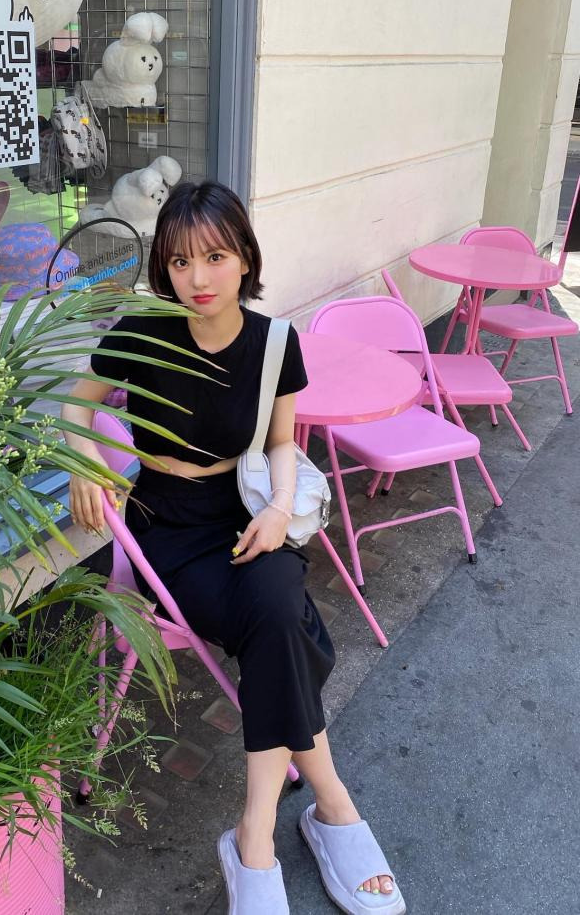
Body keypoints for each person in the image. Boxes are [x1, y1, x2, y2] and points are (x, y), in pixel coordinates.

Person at [63, 181, 405, 915]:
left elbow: (280, 442)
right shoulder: (144, 329)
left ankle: (255, 837)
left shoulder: (275, 343)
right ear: (164, 266)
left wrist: (280, 509)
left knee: (279, 612)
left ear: (245, 258)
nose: (198, 277)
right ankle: (331, 808)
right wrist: (82, 463)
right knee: (286, 628)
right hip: (165, 524)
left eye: (215, 257)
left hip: (246, 509)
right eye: (180, 261)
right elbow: (75, 405)